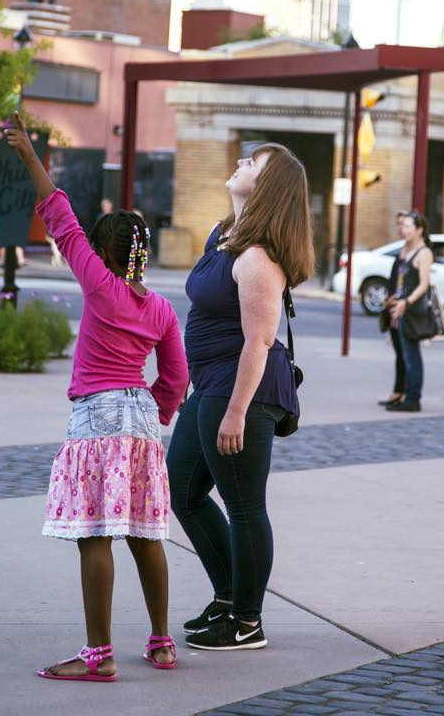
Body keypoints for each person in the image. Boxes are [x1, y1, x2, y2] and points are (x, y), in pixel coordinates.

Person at [4, 113, 188, 680]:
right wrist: (155, 410)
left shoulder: (100, 286)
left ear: (104, 254)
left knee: (95, 535)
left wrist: (30, 155)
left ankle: (99, 656)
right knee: (145, 532)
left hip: (97, 415)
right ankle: (161, 642)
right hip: (140, 416)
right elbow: (176, 376)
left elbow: (59, 217)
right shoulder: (158, 308)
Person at [167, 143, 314, 651]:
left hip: (242, 393)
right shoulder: (221, 235)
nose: (241, 163)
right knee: (181, 489)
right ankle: (229, 596)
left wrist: (235, 413)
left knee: (244, 505)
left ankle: (247, 620)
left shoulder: (258, 258)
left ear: (267, 187)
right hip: (209, 386)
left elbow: (260, 341)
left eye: (254, 163)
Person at [387, 210, 434, 412]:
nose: (403, 230)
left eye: (408, 226)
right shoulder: (409, 250)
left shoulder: (424, 253)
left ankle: (413, 399)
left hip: (412, 311)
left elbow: (424, 284)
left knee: (412, 355)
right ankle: (405, 395)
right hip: (401, 308)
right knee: (405, 354)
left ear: (419, 230)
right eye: (403, 226)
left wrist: (406, 301)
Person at [378, 210, 409, 408]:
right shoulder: (402, 251)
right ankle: (398, 391)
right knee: (400, 352)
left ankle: (404, 393)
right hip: (393, 308)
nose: (401, 228)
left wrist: (396, 299)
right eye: (398, 224)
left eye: (405, 224)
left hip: (403, 309)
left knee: (406, 353)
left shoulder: (414, 253)